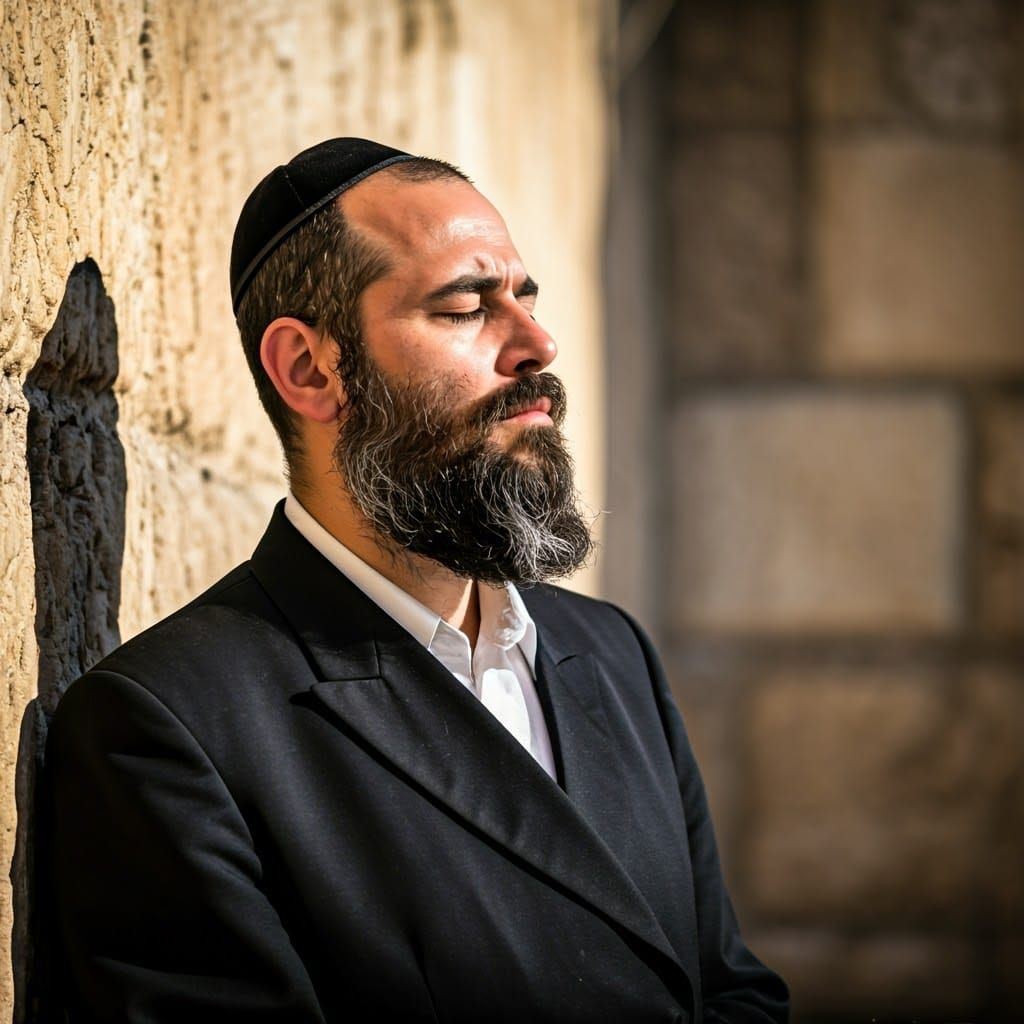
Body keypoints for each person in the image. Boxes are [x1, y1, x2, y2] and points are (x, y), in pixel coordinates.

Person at [46, 138, 789, 1023]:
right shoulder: (173, 728)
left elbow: (732, 992)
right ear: (310, 370)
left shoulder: (611, 653)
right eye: (467, 306)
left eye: (525, 297)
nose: (538, 345)